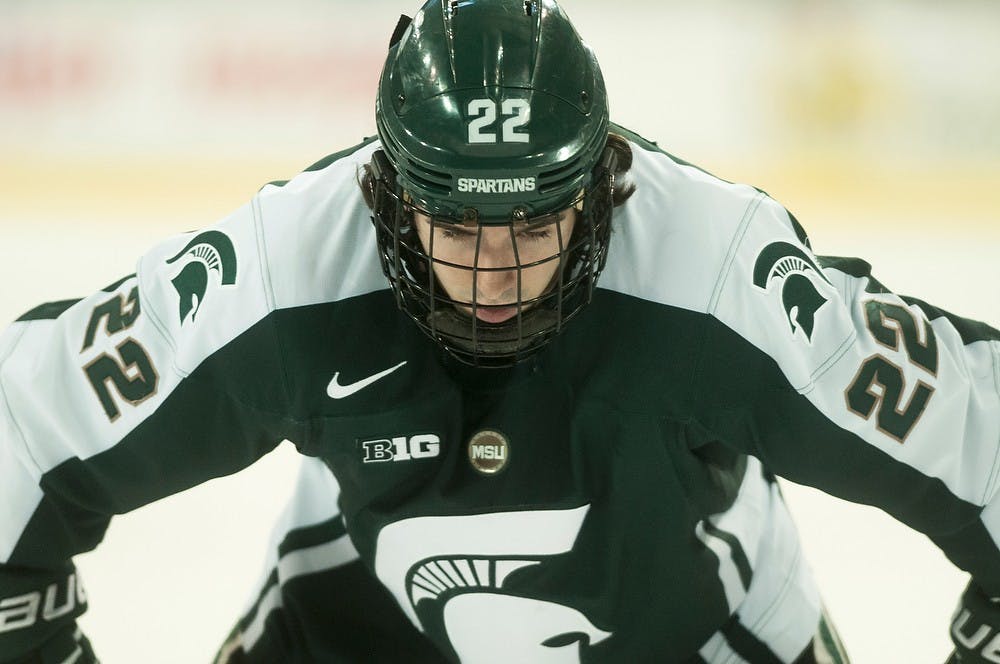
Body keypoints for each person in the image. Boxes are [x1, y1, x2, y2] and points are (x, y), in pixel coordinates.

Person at [0, 0, 997, 662]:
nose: (496, 270)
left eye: (532, 218)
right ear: (386, 195)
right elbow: (21, 432)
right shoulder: (281, 266)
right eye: (454, 220)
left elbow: (980, 432)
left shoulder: (720, 275)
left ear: (600, 184)